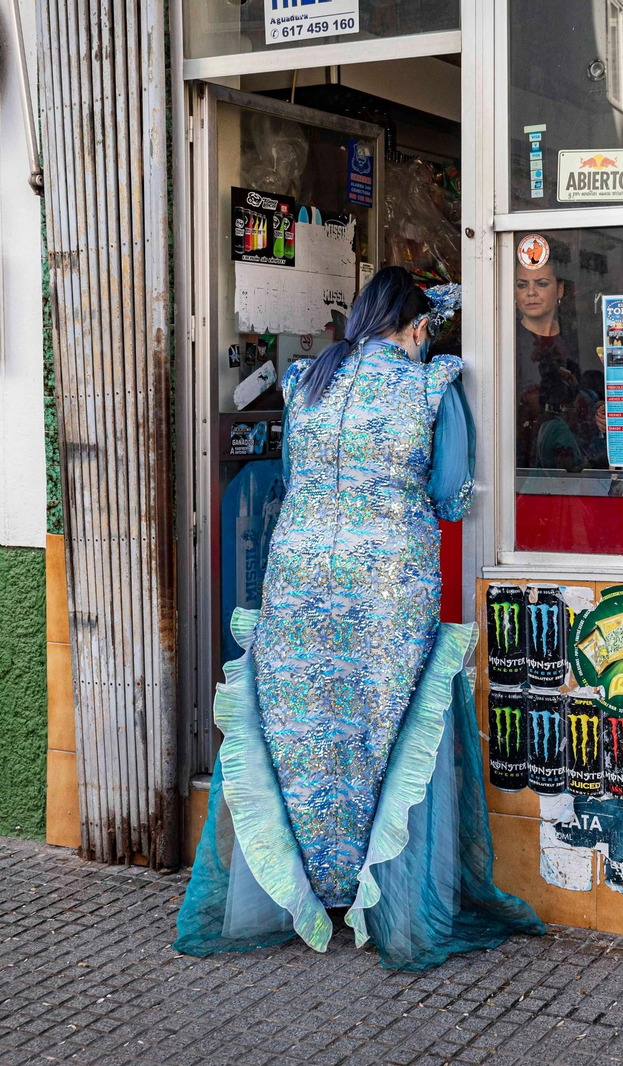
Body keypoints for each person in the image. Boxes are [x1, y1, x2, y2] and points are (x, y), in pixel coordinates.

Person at [175, 268, 543, 970]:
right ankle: (383, 902)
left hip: (298, 582)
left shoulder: (307, 381)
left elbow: (291, 476)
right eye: (425, 328)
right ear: (414, 325)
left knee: (305, 738)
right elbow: (449, 496)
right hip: (386, 588)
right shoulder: (430, 384)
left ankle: (308, 893)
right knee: (388, 734)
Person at [514, 251, 590, 469]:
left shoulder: (578, 339)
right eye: (522, 285)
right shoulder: (504, 342)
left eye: (541, 283)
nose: (530, 293)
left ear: (559, 290)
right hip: (518, 463)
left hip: (576, 459)